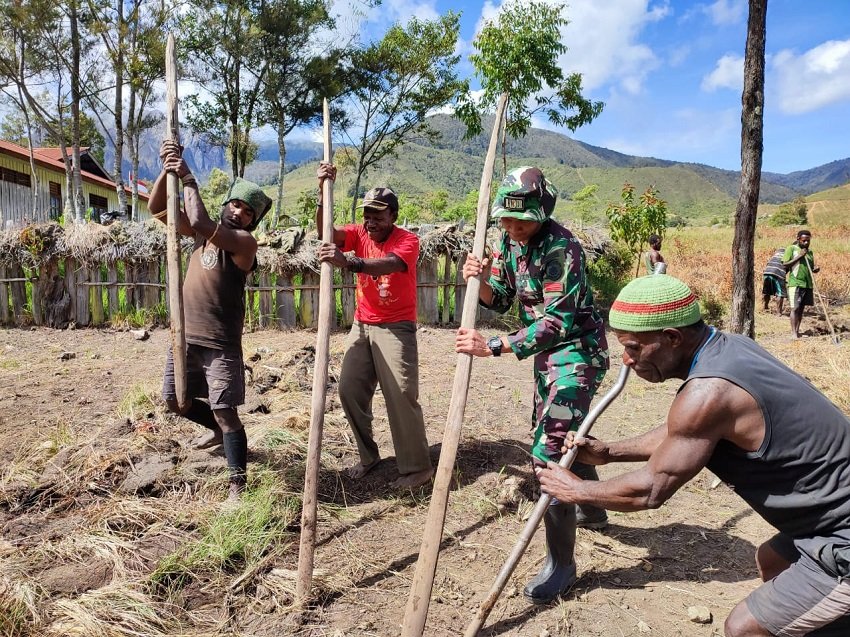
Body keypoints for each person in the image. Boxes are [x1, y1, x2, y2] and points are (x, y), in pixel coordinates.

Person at [537, 274, 850, 637]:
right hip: (823, 522)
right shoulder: (729, 349)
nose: (626, 359)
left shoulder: (709, 392)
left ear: (672, 337)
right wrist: (610, 453)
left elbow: (650, 490)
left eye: (634, 347)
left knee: (744, 629)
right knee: (772, 561)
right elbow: (686, 432)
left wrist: (577, 490)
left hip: (840, 535)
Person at [455, 166, 610, 604]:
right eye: (505, 220)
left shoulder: (562, 249)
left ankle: (561, 565)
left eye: (520, 221)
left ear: (541, 214)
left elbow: (557, 321)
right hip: (546, 357)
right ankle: (593, 508)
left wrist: (496, 345)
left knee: (548, 451)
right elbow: (502, 297)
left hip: (577, 354)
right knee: (561, 434)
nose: (511, 227)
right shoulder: (510, 241)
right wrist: (479, 282)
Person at [148, 140, 272, 500]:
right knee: (175, 400)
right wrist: (168, 167)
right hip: (185, 337)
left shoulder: (244, 243)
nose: (239, 213)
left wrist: (188, 178)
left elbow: (200, 220)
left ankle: (237, 486)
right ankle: (216, 433)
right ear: (226, 203)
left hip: (220, 343)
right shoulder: (202, 236)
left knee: (225, 411)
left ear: (252, 221)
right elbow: (156, 208)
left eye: (248, 212)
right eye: (236, 204)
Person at [314, 162, 434, 489]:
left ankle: (417, 467)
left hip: (396, 326)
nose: (371, 221)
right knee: (349, 390)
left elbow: (390, 264)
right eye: (367, 215)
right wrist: (323, 191)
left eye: (378, 216)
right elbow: (327, 233)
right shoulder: (359, 233)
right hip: (362, 324)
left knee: (401, 395)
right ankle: (369, 456)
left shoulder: (407, 240)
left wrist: (349, 261)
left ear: (393, 216)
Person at [784, 230, 819, 338]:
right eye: (804, 240)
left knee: (801, 309)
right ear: (798, 239)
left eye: (808, 240)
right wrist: (799, 256)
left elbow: (810, 267)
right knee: (795, 308)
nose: (806, 243)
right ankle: (793, 333)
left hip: (807, 284)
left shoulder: (810, 252)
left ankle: (798, 331)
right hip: (795, 283)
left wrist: (814, 269)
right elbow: (785, 264)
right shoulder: (791, 249)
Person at [761, 248, 788, 315]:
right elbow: (786, 268)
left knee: (766, 291)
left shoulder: (774, 256)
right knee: (780, 293)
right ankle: (779, 312)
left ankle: (765, 307)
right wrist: (783, 278)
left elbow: (768, 265)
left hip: (767, 273)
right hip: (778, 274)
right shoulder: (786, 256)